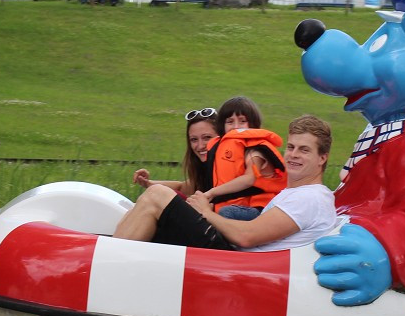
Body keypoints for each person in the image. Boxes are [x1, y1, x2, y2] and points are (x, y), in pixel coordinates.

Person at [113, 115, 336, 252]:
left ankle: (106, 258)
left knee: (158, 195)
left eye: (304, 150)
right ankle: (112, 250)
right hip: (235, 251)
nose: (293, 155)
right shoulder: (298, 193)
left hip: (237, 260)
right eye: (291, 147)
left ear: (322, 158)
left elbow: (246, 236)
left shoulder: (310, 198)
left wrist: (206, 213)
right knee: (156, 206)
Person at [198, 96, 287, 221]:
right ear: (222, 125)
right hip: (229, 207)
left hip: (260, 211)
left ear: (252, 123)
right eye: (230, 122)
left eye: (242, 121)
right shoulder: (219, 146)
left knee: (226, 212)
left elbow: (249, 179)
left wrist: (211, 193)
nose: (236, 126)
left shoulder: (255, 149)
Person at [131, 108, 220, 198]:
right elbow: (181, 188)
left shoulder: (228, 169)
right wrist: (147, 183)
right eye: (194, 139)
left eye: (207, 137)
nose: (200, 146)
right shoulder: (203, 169)